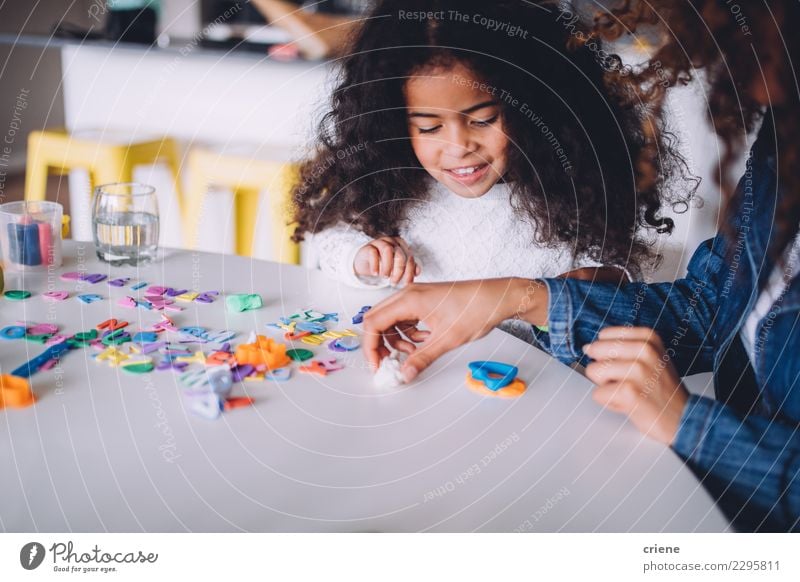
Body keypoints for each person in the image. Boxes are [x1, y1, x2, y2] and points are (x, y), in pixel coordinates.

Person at [362, 0, 800, 532]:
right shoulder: (785, 149)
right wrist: (522, 296)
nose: (729, 79)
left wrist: (690, 424)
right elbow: (711, 308)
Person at [291, 0, 690, 339]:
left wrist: (574, 289)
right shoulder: (392, 188)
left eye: (482, 120)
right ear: (395, 123)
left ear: (533, 108)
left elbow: (607, 296)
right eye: (429, 127)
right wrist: (363, 257)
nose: (459, 147)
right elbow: (328, 243)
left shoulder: (569, 197)